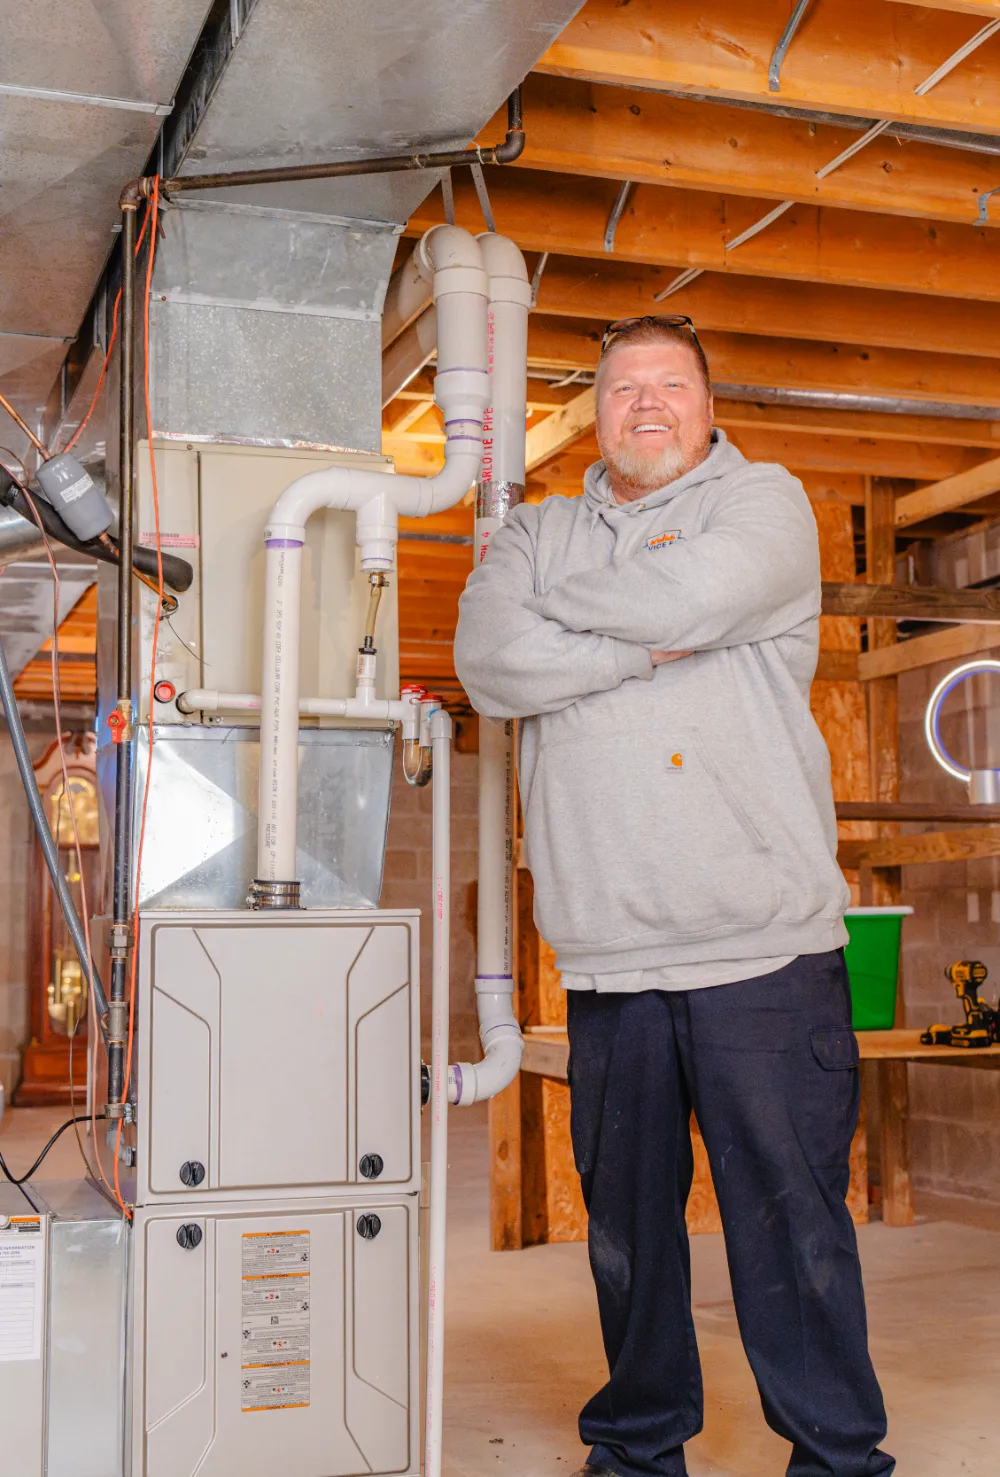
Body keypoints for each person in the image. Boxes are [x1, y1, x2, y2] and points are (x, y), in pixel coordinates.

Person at [454, 316, 893, 1477]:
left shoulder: (765, 506)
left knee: (791, 1229)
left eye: (670, 384)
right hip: (606, 956)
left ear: (706, 404)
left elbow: (696, 595)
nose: (645, 403)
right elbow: (489, 660)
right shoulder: (536, 528)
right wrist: (640, 642)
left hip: (760, 944)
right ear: (592, 411)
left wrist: (590, 615)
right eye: (621, 388)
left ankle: (838, 1458)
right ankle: (639, 1452)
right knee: (630, 1241)